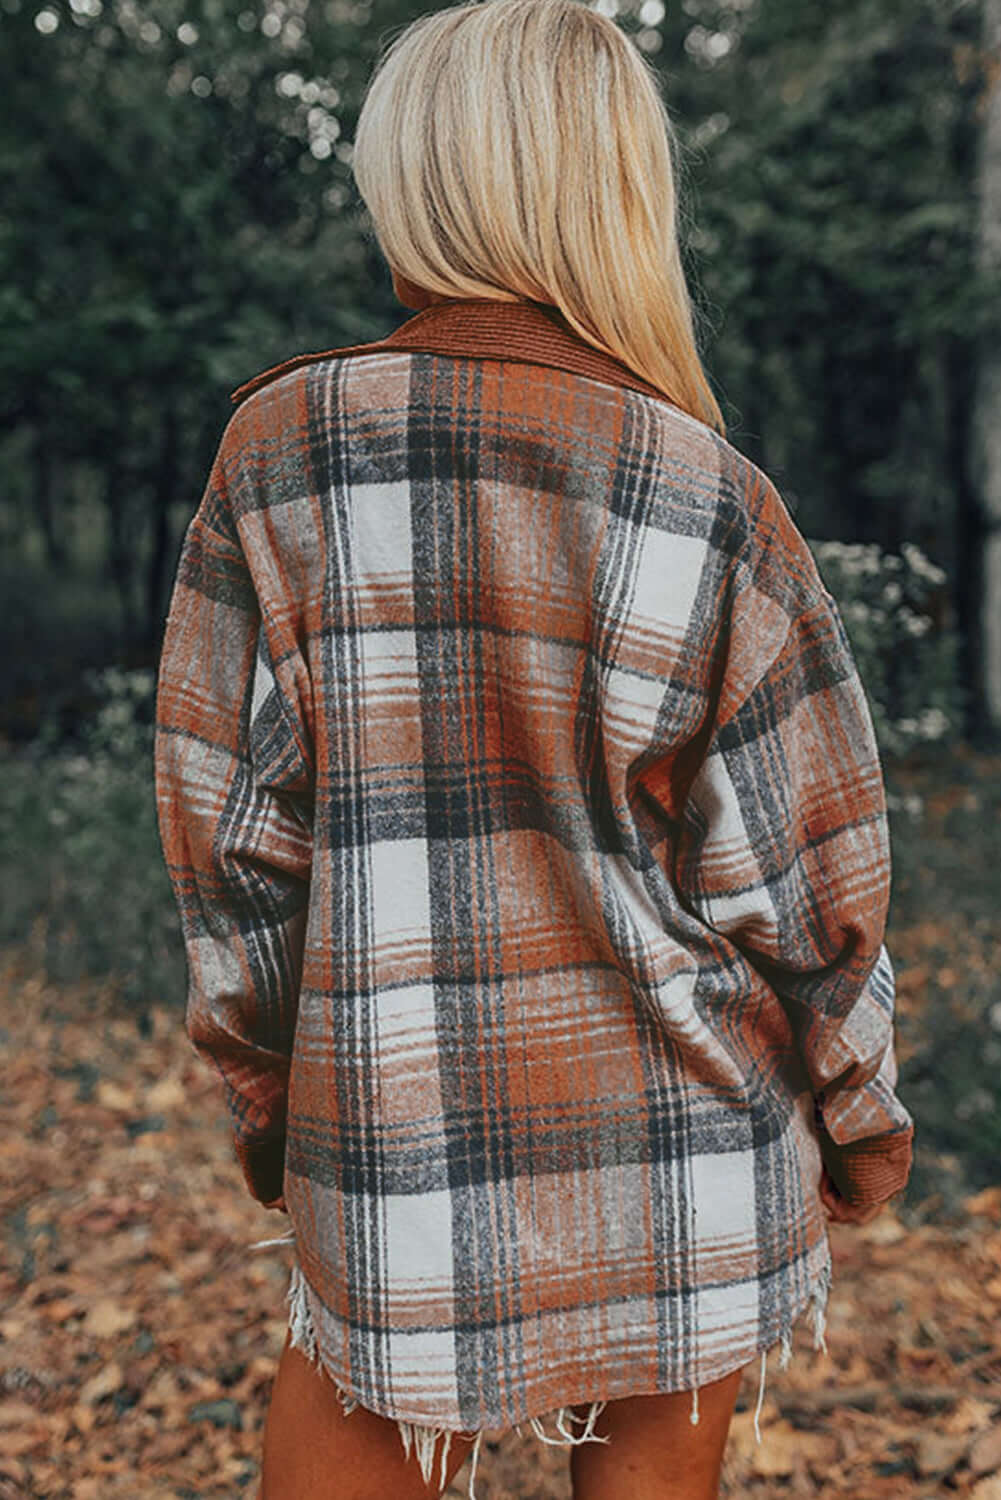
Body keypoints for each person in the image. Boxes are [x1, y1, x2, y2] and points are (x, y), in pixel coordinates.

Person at [152, 2, 915, 1496]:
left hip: (396, 1130)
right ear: (617, 191)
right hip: (689, 1144)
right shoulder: (710, 493)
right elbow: (812, 881)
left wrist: (277, 1102)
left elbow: (231, 848)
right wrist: (857, 1120)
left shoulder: (283, 452)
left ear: (421, 183)